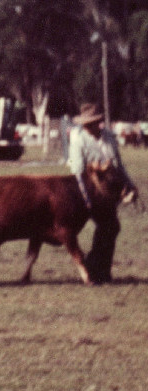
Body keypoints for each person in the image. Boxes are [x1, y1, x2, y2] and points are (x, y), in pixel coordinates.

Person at [66, 103, 136, 284]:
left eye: (92, 123)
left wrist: (130, 185)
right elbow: (77, 171)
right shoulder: (78, 140)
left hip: (110, 190)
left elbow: (119, 165)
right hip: (89, 192)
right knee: (110, 226)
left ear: (99, 122)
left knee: (110, 228)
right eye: (86, 124)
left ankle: (100, 269)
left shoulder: (109, 137)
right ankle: (96, 267)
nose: (88, 127)